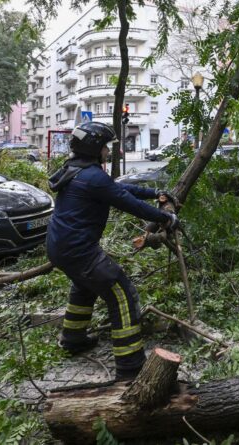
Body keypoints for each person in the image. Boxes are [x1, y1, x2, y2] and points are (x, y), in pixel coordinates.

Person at [46, 121, 179, 380]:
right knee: (122, 295)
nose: (109, 152)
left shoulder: (76, 170)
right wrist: (166, 219)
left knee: (85, 286)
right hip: (79, 250)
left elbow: (119, 189)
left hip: (60, 247)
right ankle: (130, 365)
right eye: (106, 147)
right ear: (95, 148)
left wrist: (155, 193)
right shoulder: (92, 176)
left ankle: (73, 339)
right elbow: (127, 202)